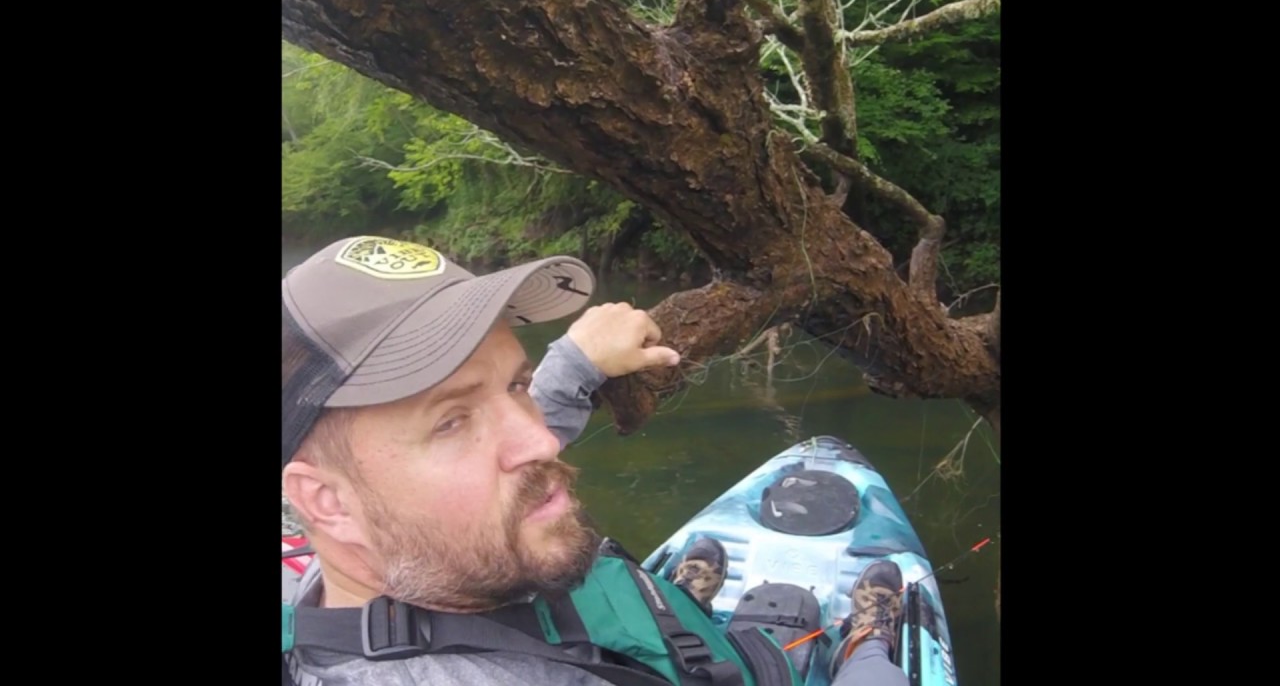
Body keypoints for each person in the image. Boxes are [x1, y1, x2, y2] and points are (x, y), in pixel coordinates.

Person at [281, 235, 910, 686]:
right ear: (326, 502)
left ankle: (681, 606)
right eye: (450, 421)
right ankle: (868, 643)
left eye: (515, 385)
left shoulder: (351, 571)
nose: (543, 441)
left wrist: (571, 365)